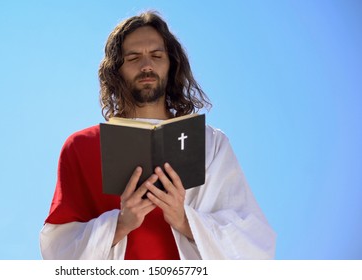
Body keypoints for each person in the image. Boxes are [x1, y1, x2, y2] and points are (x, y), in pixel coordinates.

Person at [40, 11, 276, 259]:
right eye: (133, 57)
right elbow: (58, 248)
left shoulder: (210, 144)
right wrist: (120, 224)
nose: (146, 66)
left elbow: (255, 242)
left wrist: (184, 220)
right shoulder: (82, 146)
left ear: (171, 64)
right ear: (115, 70)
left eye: (156, 56)